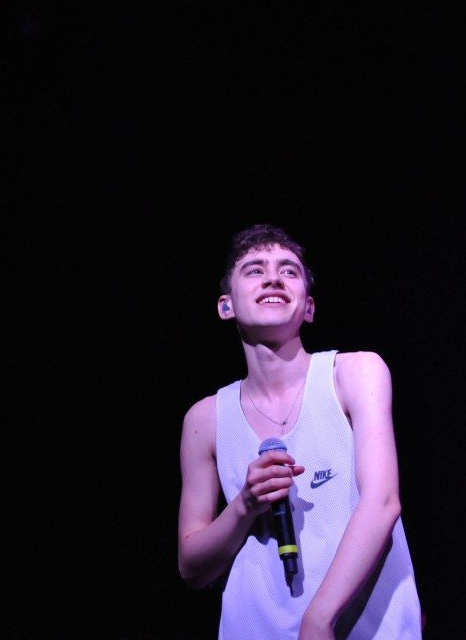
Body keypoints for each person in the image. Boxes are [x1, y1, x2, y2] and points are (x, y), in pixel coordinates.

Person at [177, 223, 423, 639]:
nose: (273, 278)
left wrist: (319, 616)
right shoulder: (204, 419)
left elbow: (382, 502)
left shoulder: (355, 373)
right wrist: (243, 505)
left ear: (308, 308)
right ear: (226, 306)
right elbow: (191, 566)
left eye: (288, 270)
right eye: (255, 270)